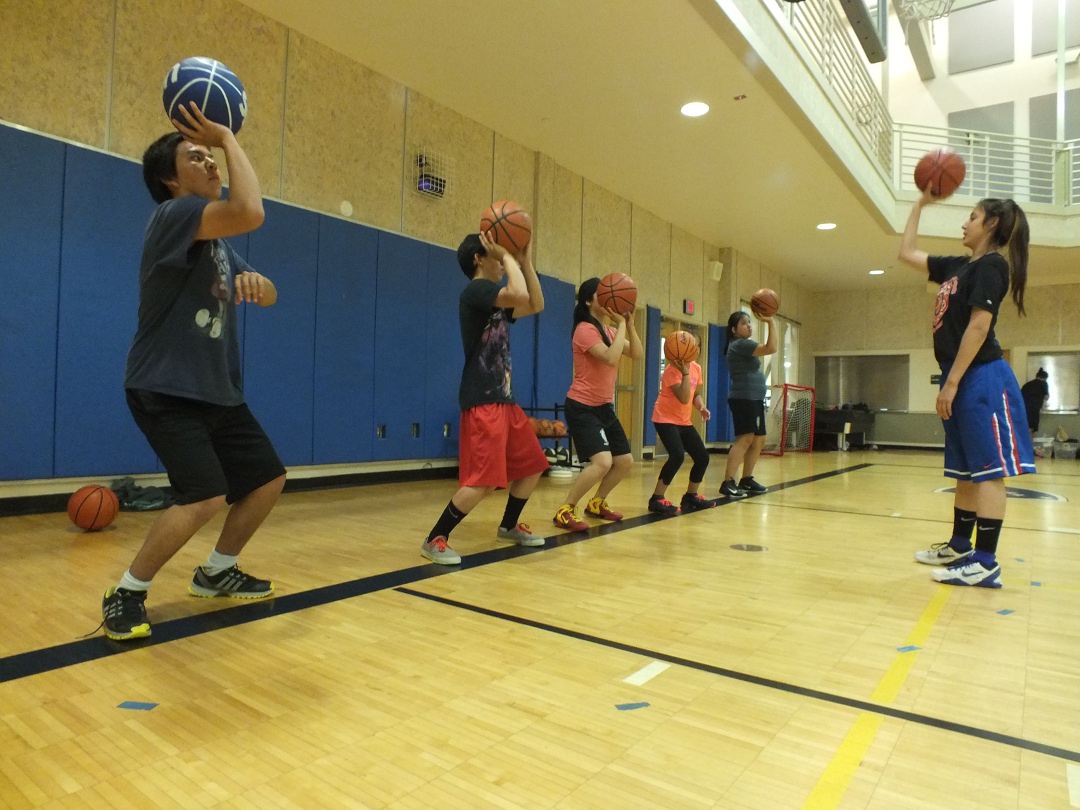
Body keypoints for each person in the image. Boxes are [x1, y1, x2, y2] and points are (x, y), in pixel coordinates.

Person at [102, 103, 287, 641]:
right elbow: (251, 209)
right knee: (204, 494)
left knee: (267, 480)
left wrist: (261, 287)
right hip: (166, 387)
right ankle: (128, 590)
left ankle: (215, 571)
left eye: (212, 155)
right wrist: (228, 139)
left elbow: (269, 291)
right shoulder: (172, 217)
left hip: (219, 393)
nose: (210, 164)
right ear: (169, 179)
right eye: (197, 157)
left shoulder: (218, 243)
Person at [899, 186, 1035, 588]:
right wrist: (918, 205)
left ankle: (986, 562)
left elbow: (979, 325)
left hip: (982, 377)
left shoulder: (992, 266)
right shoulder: (959, 265)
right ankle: (961, 545)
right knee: (965, 470)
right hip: (959, 376)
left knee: (989, 472)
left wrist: (952, 382)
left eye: (972, 217)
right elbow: (906, 253)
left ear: (991, 223)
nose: (964, 222)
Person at [419, 230, 549, 565]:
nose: (501, 261)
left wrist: (525, 261)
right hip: (482, 401)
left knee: (533, 465)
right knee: (483, 481)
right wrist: (508, 256)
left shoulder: (496, 301)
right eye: (493, 254)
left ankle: (508, 527)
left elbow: (535, 302)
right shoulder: (475, 291)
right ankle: (435, 538)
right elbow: (517, 291)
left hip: (504, 401)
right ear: (480, 258)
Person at [552, 278, 644, 531]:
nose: (606, 299)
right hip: (581, 406)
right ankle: (566, 509)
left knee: (624, 461)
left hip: (604, 407)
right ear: (589, 301)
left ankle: (597, 502)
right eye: (600, 294)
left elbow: (637, 353)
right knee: (602, 462)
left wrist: (630, 326)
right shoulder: (584, 329)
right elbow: (611, 357)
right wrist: (622, 324)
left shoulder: (610, 331)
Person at [648, 337, 716, 514]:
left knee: (702, 457)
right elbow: (683, 396)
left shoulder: (697, 368)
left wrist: (701, 406)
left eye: (697, 346)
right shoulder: (671, 371)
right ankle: (656, 498)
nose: (695, 349)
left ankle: (691, 497)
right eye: (690, 345)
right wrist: (685, 373)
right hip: (665, 418)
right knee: (677, 455)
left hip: (683, 420)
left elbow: (694, 395)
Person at [720, 310, 777, 498]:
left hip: (754, 399)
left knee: (758, 440)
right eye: (744, 323)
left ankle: (746, 479)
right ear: (734, 329)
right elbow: (771, 348)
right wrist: (771, 322)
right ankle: (728, 482)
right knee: (745, 439)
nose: (749, 325)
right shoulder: (739, 344)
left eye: (749, 322)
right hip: (743, 398)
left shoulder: (742, 344)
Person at [1020, 368, 1050, 456]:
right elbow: (1046, 397)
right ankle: (1028, 450)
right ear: (1044, 378)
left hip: (1023, 409)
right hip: (1034, 409)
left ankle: (1022, 450)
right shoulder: (1044, 384)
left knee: (1024, 429)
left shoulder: (1027, 384)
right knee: (1031, 429)